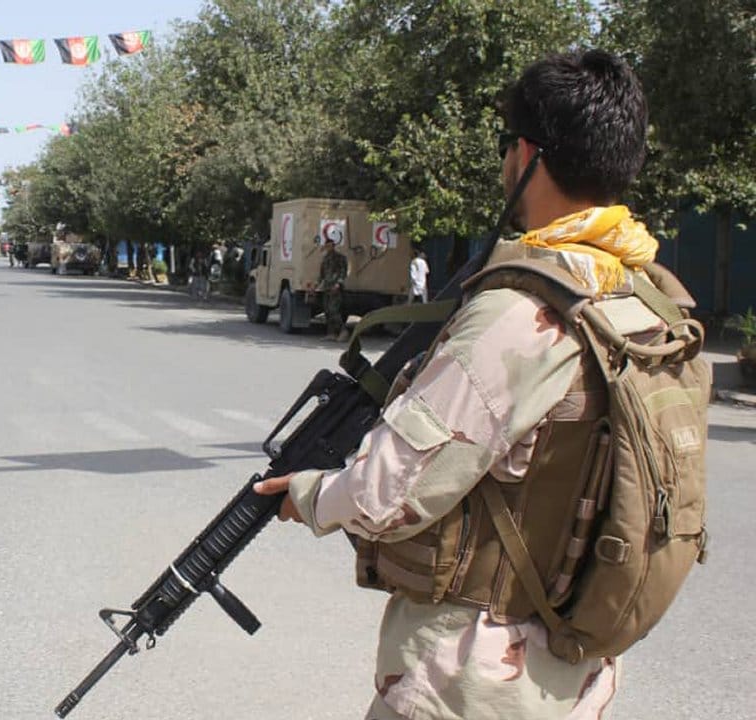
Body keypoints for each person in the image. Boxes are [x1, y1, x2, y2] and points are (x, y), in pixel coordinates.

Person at [254, 49, 659, 719]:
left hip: (471, 680)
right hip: (577, 671)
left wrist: (306, 494)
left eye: (508, 146)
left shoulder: (523, 311)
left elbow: (387, 494)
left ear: (526, 153)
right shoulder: (640, 293)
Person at [319, 240, 349, 341]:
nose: (328, 248)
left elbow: (343, 272)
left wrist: (338, 284)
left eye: (330, 246)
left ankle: (343, 331)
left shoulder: (339, 258)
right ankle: (331, 333)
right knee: (327, 311)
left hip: (336, 288)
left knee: (334, 310)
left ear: (333, 246)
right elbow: (322, 274)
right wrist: (317, 284)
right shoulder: (325, 258)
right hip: (327, 287)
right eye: (326, 246)